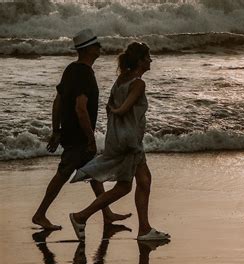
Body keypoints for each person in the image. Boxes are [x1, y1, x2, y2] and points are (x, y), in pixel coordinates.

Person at [69, 42, 170, 241]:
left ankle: (144, 228)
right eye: (148, 57)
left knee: (144, 180)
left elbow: (110, 107)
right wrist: (118, 112)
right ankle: (81, 216)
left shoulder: (120, 80)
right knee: (124, 187)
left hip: (119, 138)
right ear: (140, 61)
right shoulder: (139, 83)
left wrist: (115, 113)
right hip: (130, 140)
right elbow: (123, 108)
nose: (151, 60)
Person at [32, 29, 131, 230]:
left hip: (69, 132)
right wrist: (90, 138)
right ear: (88, 50)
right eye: (96, 45)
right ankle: (40, 214)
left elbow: (58, 101)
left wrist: (56, 130)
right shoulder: (84, 74)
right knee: (63, 173)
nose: (100, 48)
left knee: (94, 173)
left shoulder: (71, 69)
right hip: (78, 136)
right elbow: (80, 108)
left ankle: (107, 213)